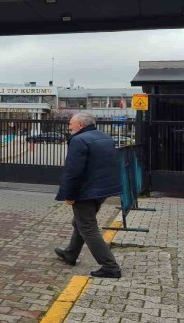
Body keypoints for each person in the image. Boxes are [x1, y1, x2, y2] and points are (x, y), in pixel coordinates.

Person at [54, 112, 122, 278]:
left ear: (80, 125)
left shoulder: (79, 140)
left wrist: (70, 194)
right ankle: (70, 254)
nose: (69, 127)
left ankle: (110, 266)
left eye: (71, 124)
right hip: (102, 190)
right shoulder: (105, 137)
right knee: (79, 222)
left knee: (87, 227)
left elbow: (73, 171)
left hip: (86, 191)